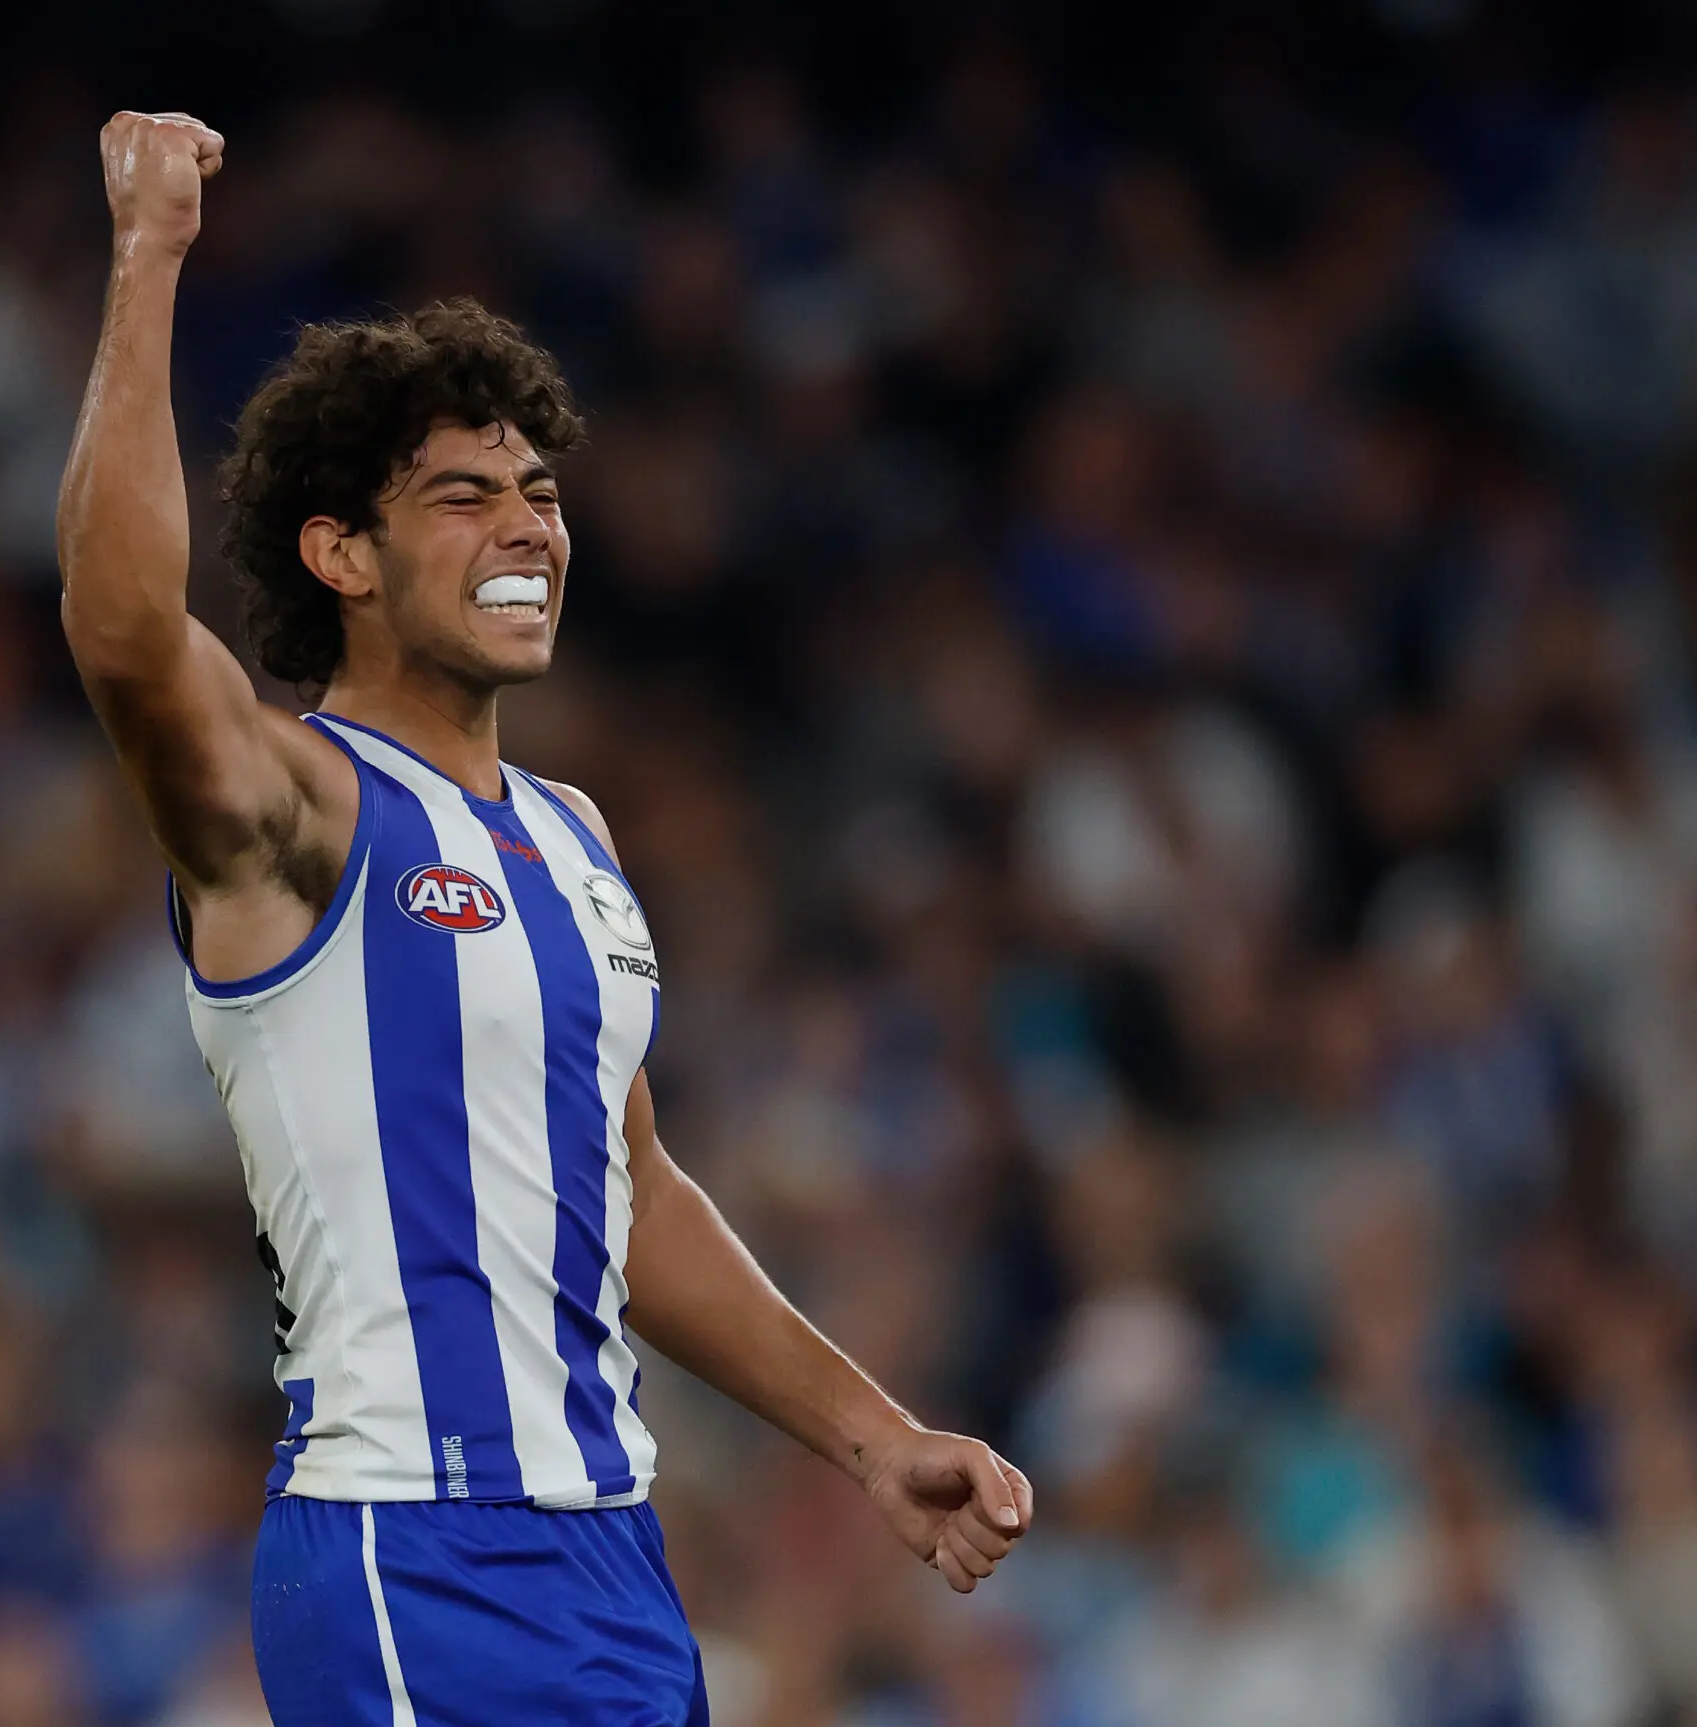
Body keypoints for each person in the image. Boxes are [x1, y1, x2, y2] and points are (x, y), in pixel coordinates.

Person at [56, 109, 1034, 1727]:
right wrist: (150, 257)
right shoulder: (298, 810)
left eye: (541, 491)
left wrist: (874, 1436)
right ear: (339, 553)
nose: (531, 526)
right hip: (404, 1547)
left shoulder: (573, 837)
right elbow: (119, 625)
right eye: (464, 496)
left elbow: (630, 1190)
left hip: (614, 1565)